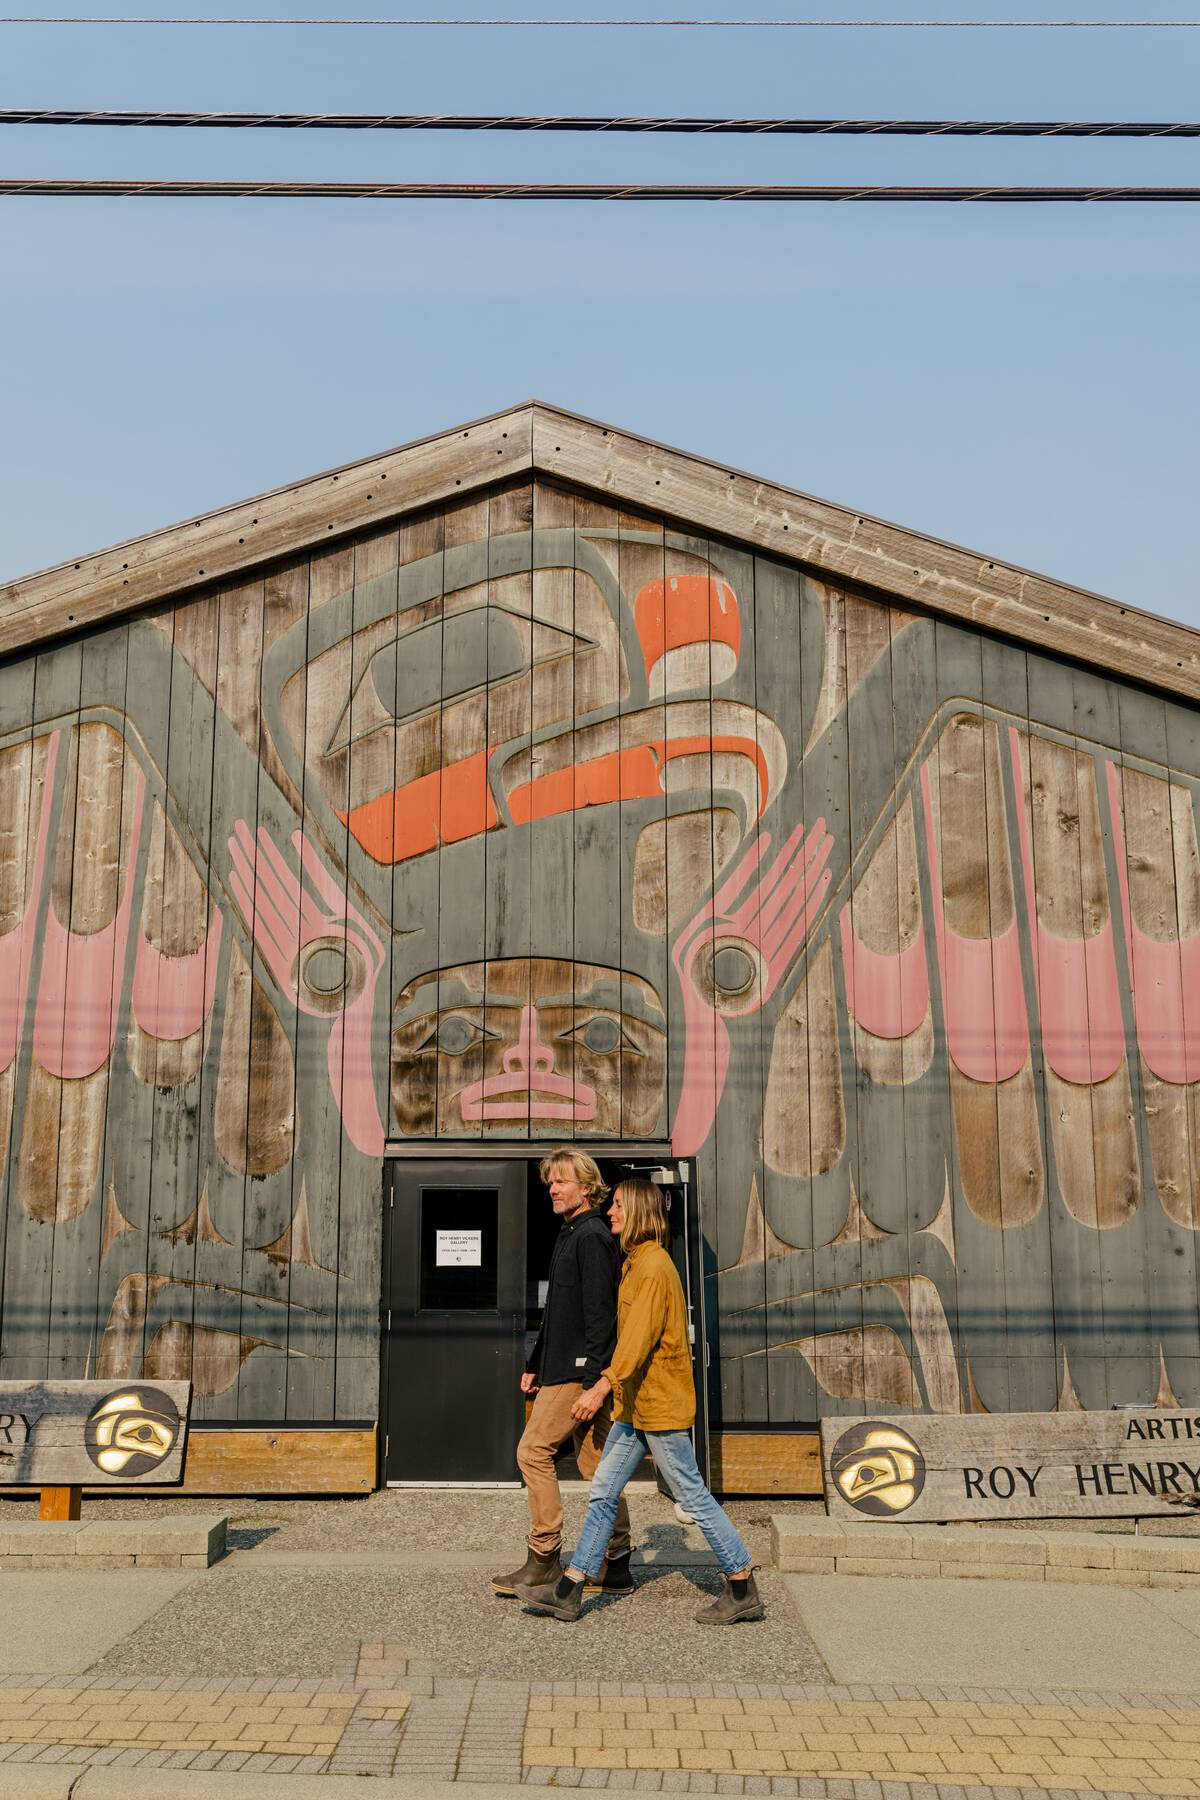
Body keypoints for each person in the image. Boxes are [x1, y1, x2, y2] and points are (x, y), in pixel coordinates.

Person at [516, 1176, 764, 1626]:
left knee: (692, 1495)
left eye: (619, 1207)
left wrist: (599, 1387)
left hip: (660, 1408)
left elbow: (634, 1342)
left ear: (641, 1214)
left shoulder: (652, 1268)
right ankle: (570, 1588)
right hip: (636, 1408)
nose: (610, 1212)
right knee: (604, 1492)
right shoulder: (634, 1262)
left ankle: (742, 1583)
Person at [491, 1149, 633, 1599]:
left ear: (586, 1187)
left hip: (578, 1374)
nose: (552, 1188)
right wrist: (534, 1363)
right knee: (598, 1466)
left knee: (532, 1452)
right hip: (563, 1369)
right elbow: (558, 1310)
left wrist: (593, 1382)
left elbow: (600, 1318)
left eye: (562, 1182)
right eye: (550, 1182)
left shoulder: (591, 1236)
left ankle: (544, 1558)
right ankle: (617, 1562)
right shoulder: (571, 1232)